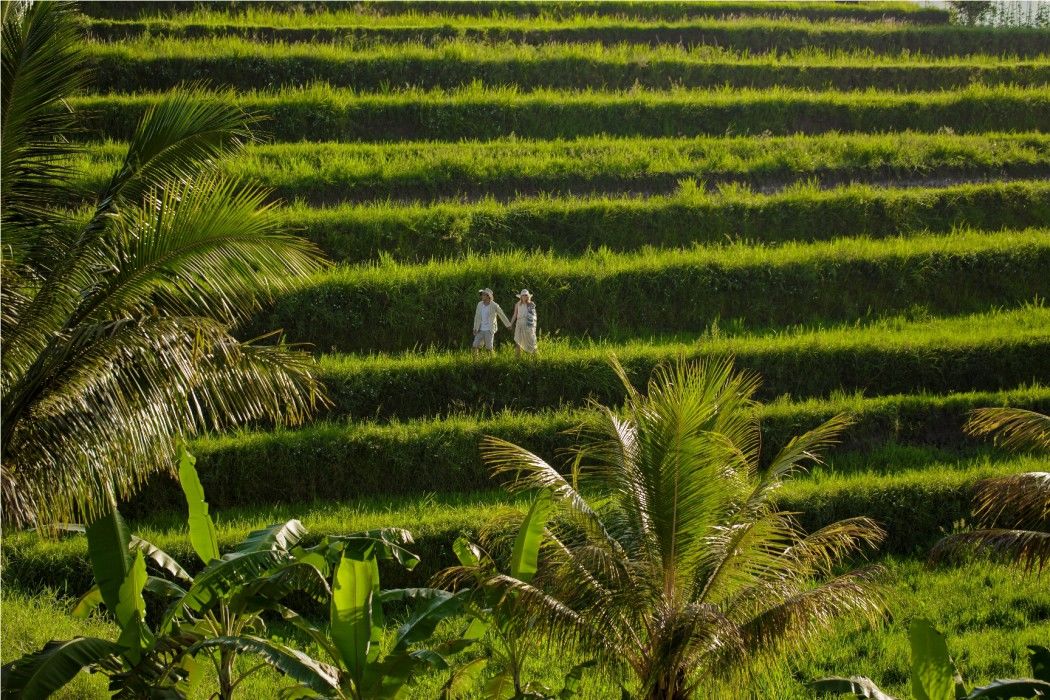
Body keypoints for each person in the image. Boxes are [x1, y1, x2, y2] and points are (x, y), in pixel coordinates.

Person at [472, 287, 511, 355]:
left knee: (489, 348)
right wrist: (475, 328)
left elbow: (502, 315)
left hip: (489, 329)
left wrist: (508, 325)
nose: (482, 296)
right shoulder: (479, 304)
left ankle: (493, 361)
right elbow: (476, 317)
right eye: (482, 294)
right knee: (475, 346)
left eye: (483, 294)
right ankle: (475, 363)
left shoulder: (494, 305)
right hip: (479, 329)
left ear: (488, 296)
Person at [509, 289, 538, 355]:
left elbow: (534, 316)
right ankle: (517, 359)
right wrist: (510, 324)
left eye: (526, 295)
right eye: (523, 295)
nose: (524, 296)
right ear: (521, 296)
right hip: (519, 324)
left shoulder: (531, 304)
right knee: (518, 342)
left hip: (528, 325)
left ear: (528, 296)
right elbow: (515, 315)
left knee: (531, 342)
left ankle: (536, 358)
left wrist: (532, 326)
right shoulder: (517, 304)